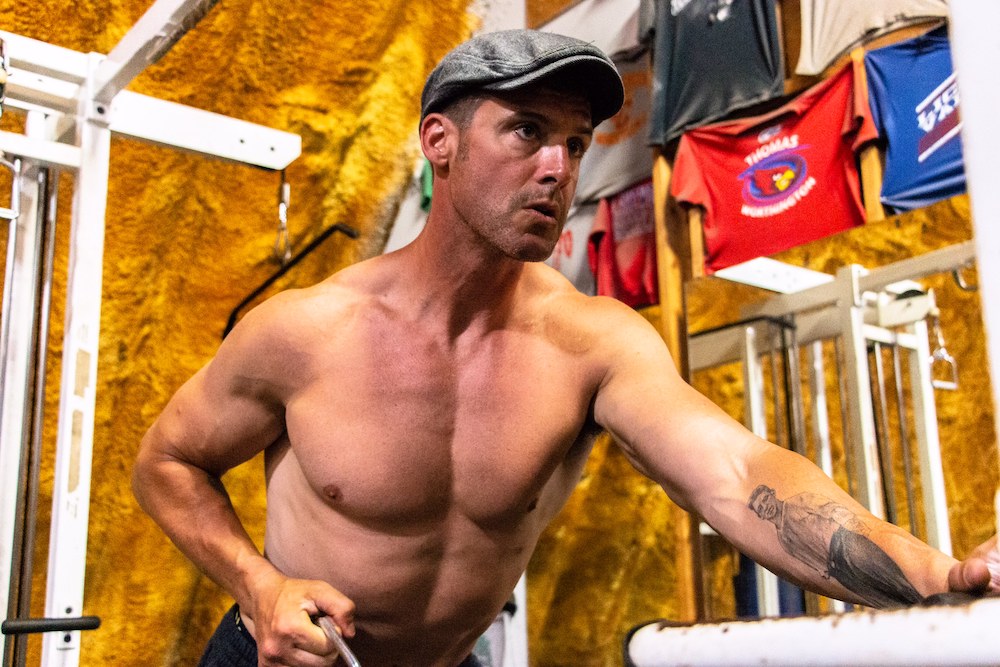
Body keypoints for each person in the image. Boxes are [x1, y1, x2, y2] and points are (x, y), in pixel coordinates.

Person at [131, 29, 999, 667]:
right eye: (526, 132)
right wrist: (260, 586)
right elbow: (166, 461)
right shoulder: (307, 331)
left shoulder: (591, 341)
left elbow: (739, 475)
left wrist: (938, 574)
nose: (558, 167)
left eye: (576, 144)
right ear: (439, 141)